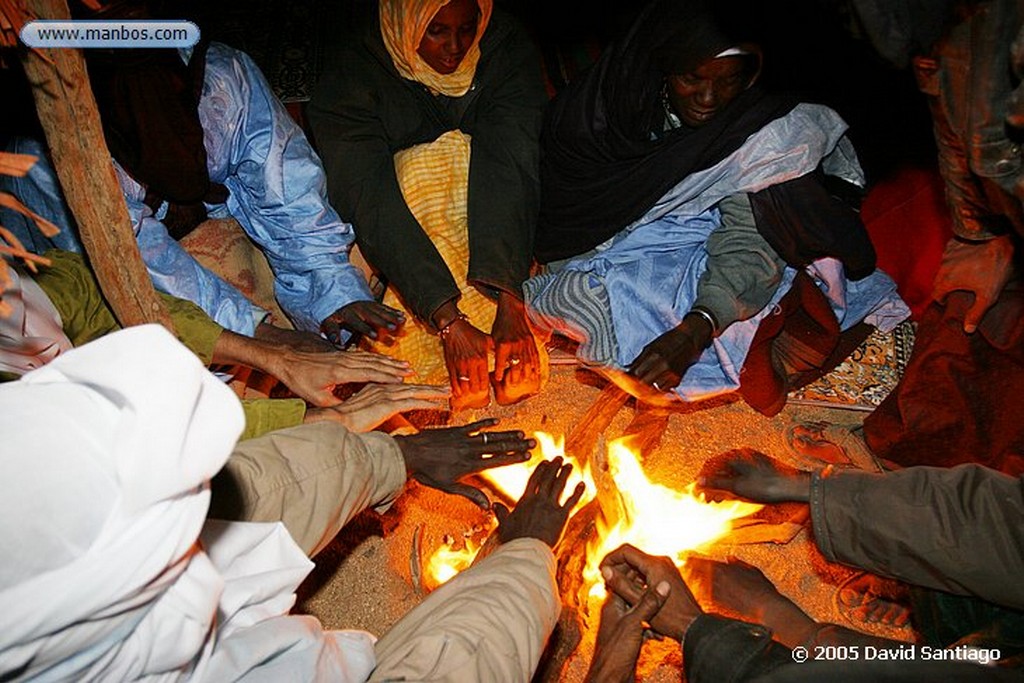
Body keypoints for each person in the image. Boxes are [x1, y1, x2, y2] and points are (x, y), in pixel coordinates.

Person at [0, 324, 585, 680]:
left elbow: (245, 504)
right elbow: (451, 669)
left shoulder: (79, 573)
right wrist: (525, 560)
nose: (203, 493)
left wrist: (393, 459)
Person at [525, 0, 908, 413]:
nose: (709, 98)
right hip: (621, 238)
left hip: (706, 234)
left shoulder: (753, 129)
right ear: (663, 68)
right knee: (586, 292)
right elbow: (565, 224)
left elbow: (751, 237)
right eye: (692, 78)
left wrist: (698, 327)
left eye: (729, 81)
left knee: (742, 297)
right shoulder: (599, 115)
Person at [1, 0, 404, 343]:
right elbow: (142, 277)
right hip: (104, 299)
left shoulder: (222, 80)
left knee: (351, 282)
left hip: (207, 238)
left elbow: (291, 195)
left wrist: (336, 299)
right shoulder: (51, 154)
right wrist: (266, 342)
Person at [309, 0, 548, 409]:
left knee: (477, 156)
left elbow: (513, 161)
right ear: (409, 21)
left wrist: (512, 301)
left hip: (485, 212)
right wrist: (448, 320)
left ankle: (497, 332)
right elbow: (369, 195)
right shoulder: (353, 74)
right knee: (421, 166)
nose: (454, 47)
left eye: (467, 28)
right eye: (436, 30)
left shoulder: (503, 47)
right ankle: (445, 348)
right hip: (411, 216)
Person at [0, 249, 441, 438]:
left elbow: (100, 301)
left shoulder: (24, 277)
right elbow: (136, 436)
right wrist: (327, 420)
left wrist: (275, 357)